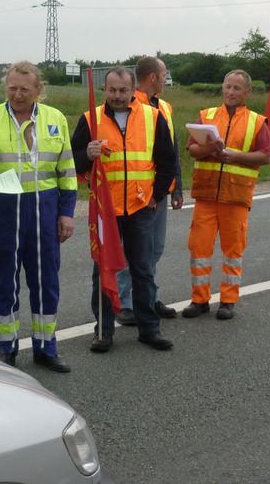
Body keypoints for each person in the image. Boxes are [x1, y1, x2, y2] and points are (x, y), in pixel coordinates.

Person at [0, 61, 77, 373]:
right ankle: (6, 349)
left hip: (45, 211)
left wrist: (67, 213)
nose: (17, 94)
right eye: (12, 88)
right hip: (2, 211)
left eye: (24, 90)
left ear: (38, 90)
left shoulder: (55, 119)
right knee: (4, 282)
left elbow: (67, 170)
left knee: (47, 282)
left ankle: (46, 347)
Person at [71, 67, 177, 353]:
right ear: (105, 89)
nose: (117, 96)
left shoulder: (152, 117)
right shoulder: (89, 119)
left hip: (141, 207)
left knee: (143, 270)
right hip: (106, 211)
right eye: (112, 90)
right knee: (103, 271)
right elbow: (71, 161)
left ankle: (149, 329)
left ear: (133, 90)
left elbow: (169, 161)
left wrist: (155, 196)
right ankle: (103, 332)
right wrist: (87, 155)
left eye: (123, 90)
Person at [182, 69, 270, 320]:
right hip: (206, 194)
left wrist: (234, 155)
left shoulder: (257, 121)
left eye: (236, 88)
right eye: (227, 86)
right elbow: (191, 150)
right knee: (199, 249)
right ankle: (199, 300)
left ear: (247, 92)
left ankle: (228, 301)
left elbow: (266, 155)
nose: (230, 92)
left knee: (233, 251)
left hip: (236, 196)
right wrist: (209, 147)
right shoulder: (206, 115)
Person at [115, 56, 184, 327]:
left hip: (158, 190)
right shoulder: (130, 104)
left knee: (154, 249)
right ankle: (125, 303)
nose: (166, 79)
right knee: (130, 250)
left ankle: (148, 296)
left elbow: (172, 151)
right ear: (153, 77)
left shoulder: (164, 107)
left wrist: (176, 185)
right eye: (164, 74)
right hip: (135, 192)